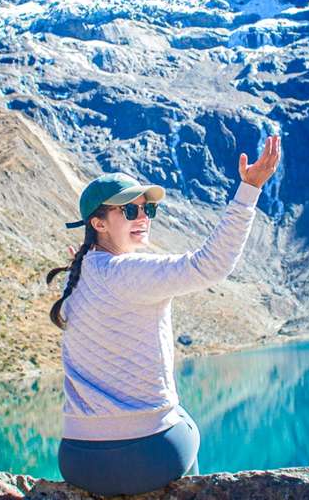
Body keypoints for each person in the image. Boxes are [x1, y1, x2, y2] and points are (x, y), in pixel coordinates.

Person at [45, 134, 282, 496]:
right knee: (184, 426)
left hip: (77, 458)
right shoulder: (125, 272)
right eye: (129, 210)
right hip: (145, 456)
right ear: (98, 223)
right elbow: (211, 265)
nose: (142, 217)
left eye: (147, 210)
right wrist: (249, 188)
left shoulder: (80, 278)